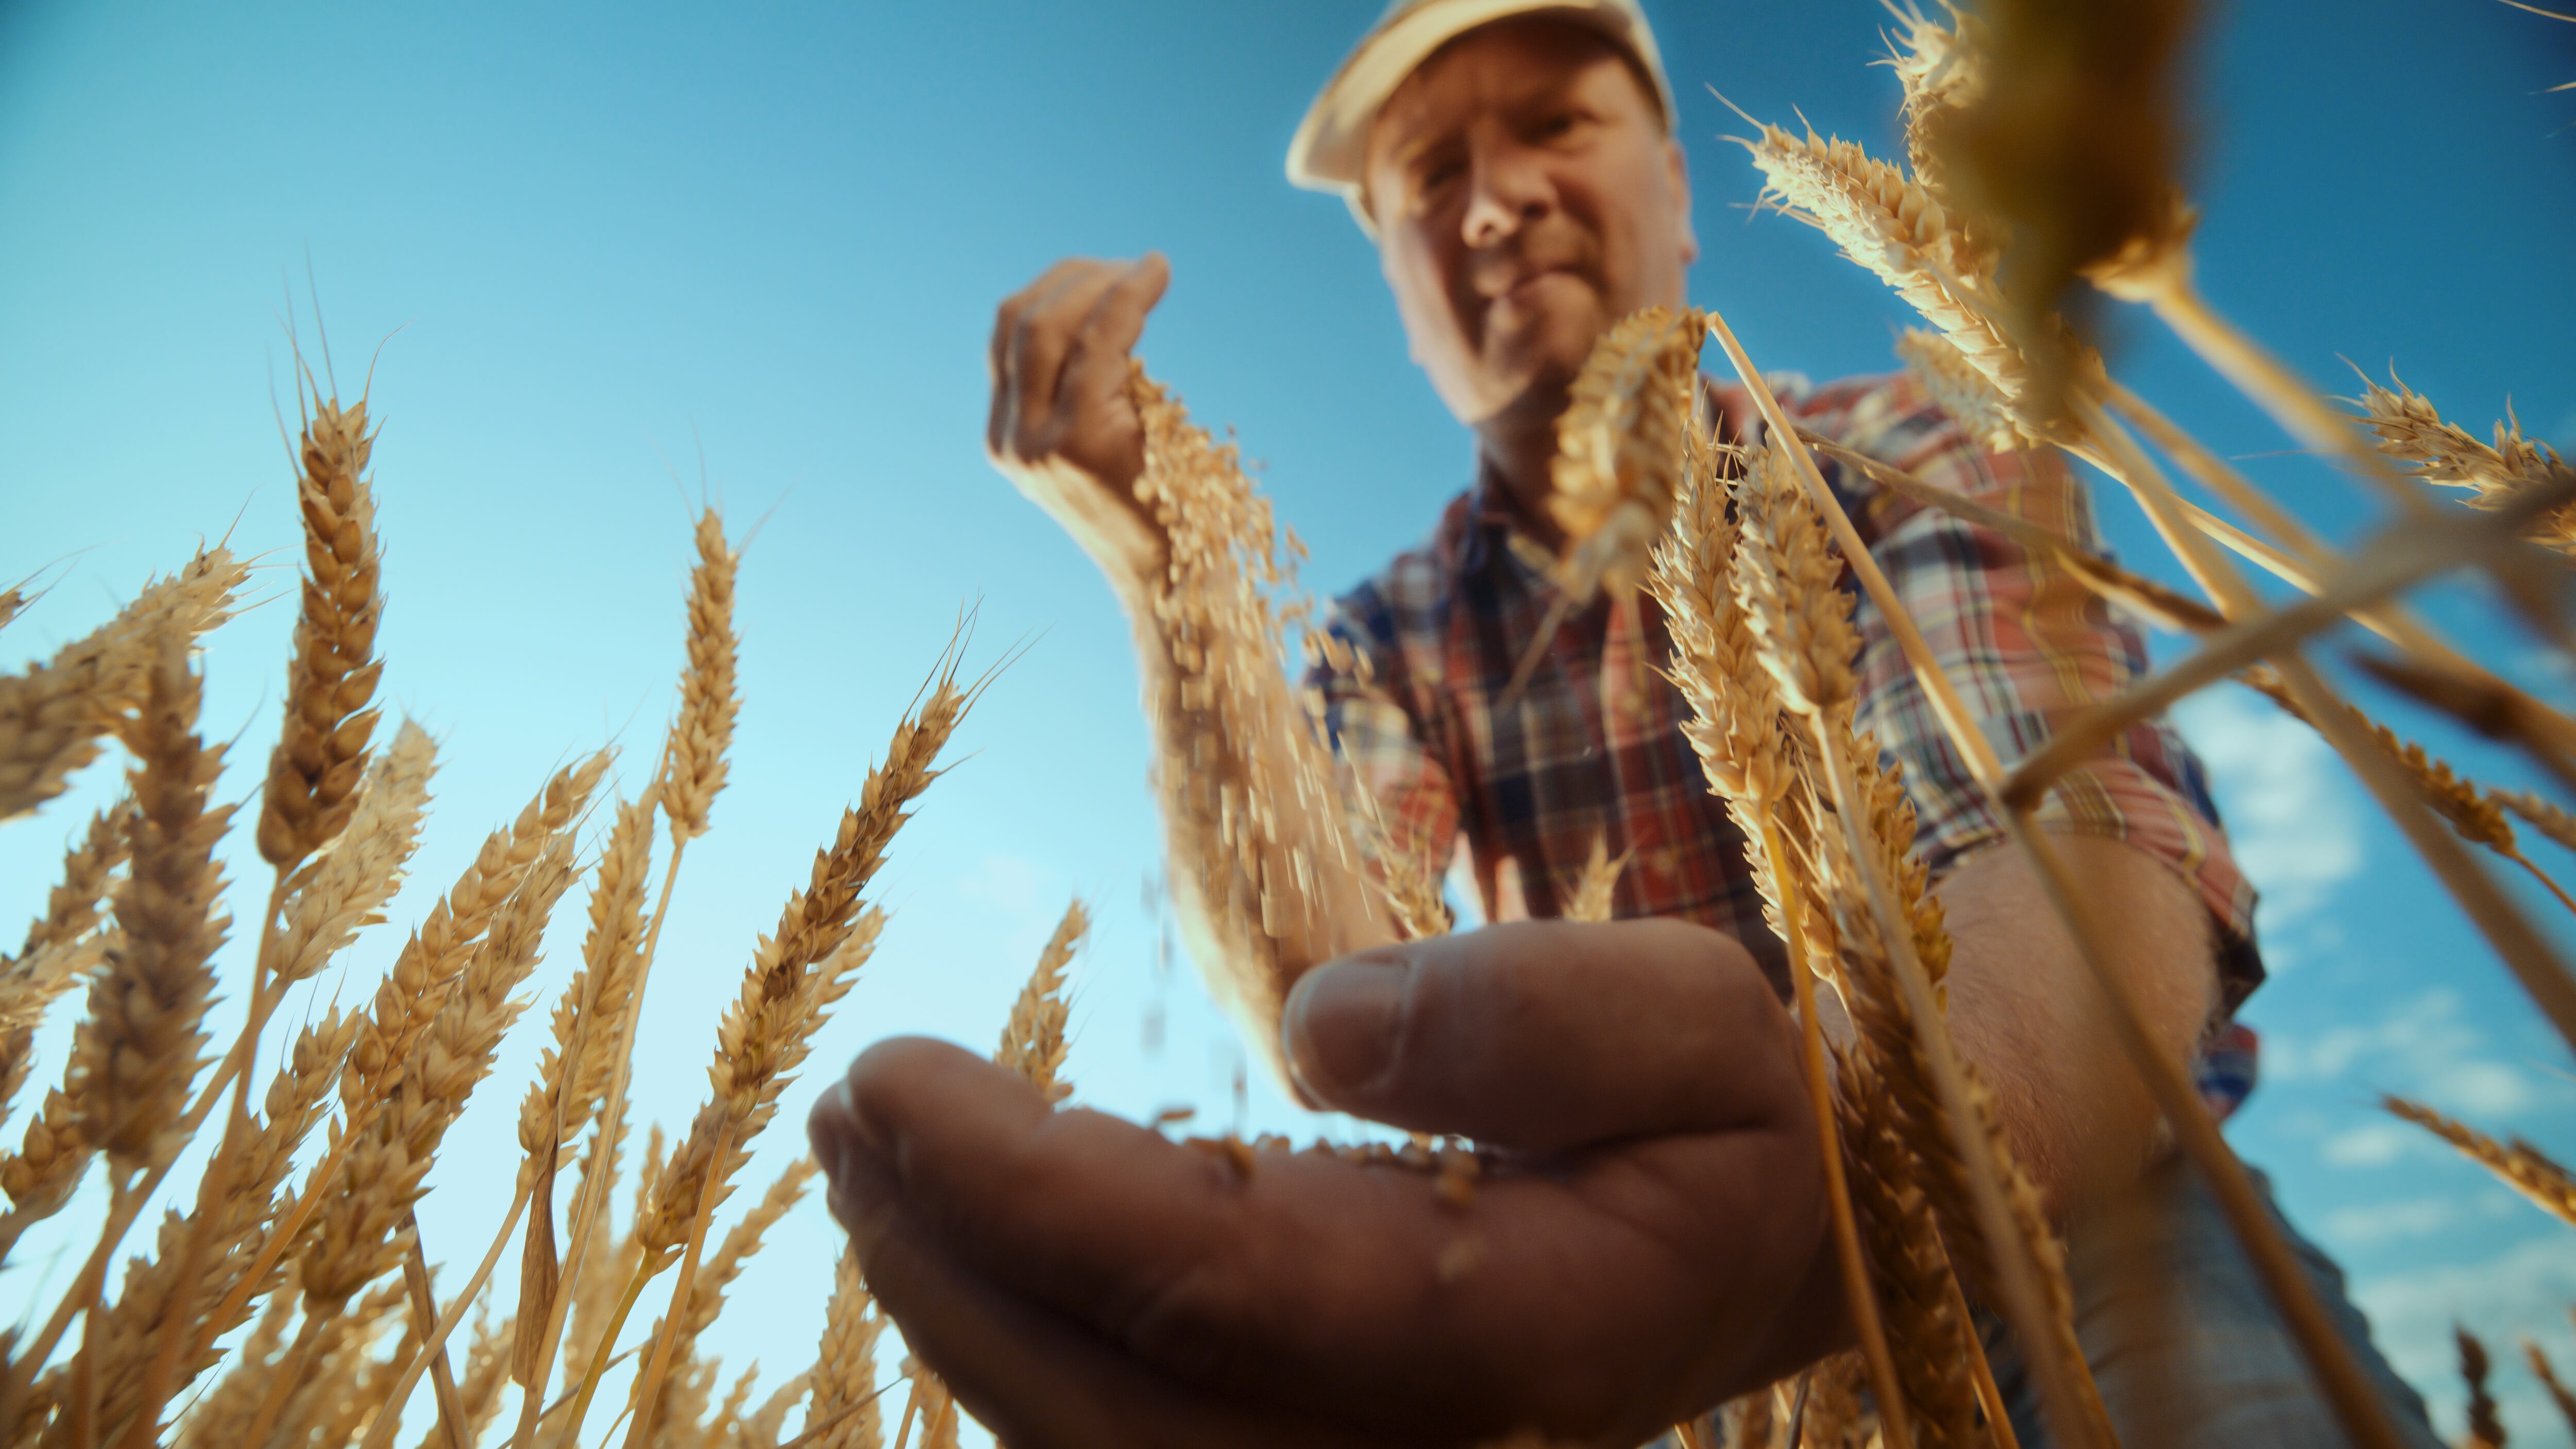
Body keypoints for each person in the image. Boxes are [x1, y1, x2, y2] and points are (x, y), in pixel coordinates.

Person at [806, 3, 2440, 1444]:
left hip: (2089, 1230)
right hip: (1661, 1364)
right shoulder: (1387, 638)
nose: (1495, 199)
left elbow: (2073, 849)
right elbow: (1333, 996)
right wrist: (1170, 568)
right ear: (1396, 276)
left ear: (1679, 192)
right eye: (1428, 178)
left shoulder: (1910, 446)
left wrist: (1840, 1191)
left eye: (1553, 127)